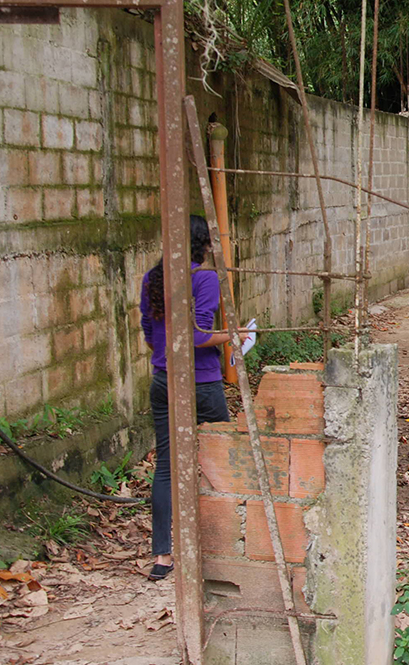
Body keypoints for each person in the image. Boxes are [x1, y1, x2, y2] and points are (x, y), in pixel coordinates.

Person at [139, 215, 242, 581]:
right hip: (201, 382)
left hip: (164, 380)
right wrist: (233, 335)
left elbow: (151, 335)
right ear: (205, 245)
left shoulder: (153, 278)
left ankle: (163, 557)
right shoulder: (205, 278)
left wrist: (167, 355)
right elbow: (198, 336)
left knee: (167, 467)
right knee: (228, 455)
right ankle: (232, 541)